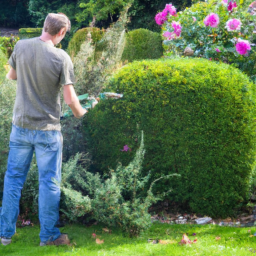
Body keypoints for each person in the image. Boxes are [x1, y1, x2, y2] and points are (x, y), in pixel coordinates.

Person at [0, 13, 93, 246]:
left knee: (13, 180)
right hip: (47, 131)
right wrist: (83, 112)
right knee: (49, 182)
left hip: (20, 128)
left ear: (44, 26)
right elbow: (70, 99)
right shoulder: (61, 57)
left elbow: (11, 75)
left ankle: (5, 235)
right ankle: (49, 236)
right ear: (61, 32)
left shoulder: (21, 46)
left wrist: (30, 73)